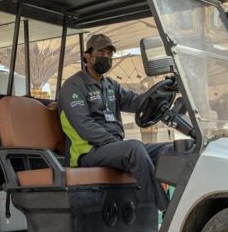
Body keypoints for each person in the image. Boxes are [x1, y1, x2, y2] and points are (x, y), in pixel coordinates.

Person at [58, 34, 170, 211]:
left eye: (109, 54)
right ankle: (166, 209)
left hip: (114, 149)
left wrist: (160, 95)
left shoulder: (110, 85)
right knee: (134, 148)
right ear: (87, 56)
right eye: (101, 52)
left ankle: (187, 206)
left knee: (171, 150)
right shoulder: (73, 86)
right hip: (87, 152)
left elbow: (136, 102)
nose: (106, 57)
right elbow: (84, 126)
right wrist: (117, 145)